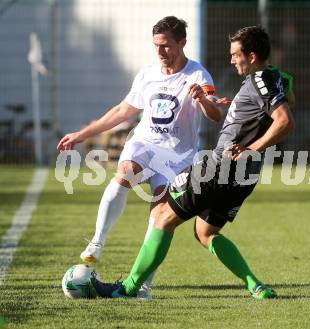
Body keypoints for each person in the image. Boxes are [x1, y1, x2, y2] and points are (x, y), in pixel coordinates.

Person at [89, 26, 295, 299]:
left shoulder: (260, 80)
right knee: (205, 232)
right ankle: (256, 286)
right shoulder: (275, 77)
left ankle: (128, 288)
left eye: (236, 55)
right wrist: (240, 105)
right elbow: (287, 93)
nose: (232, 60)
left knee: (162, 218)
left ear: (253, 55)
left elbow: (285, 121)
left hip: (224, 165)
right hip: (246, 177)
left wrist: (252, 147)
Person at [57, 16, 222, 299]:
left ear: (182, 43)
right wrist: (83, 134)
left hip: (177, 155)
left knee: (159, 216)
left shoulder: (198, 75)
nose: (160, 51)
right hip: (144, 143)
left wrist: (203, 100)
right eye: (156, 45)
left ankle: (143, 285)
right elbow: (122, 111)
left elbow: (216, 114)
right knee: (125, 173)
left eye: (167, 46)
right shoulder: (147, 74)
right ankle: (97, 243)